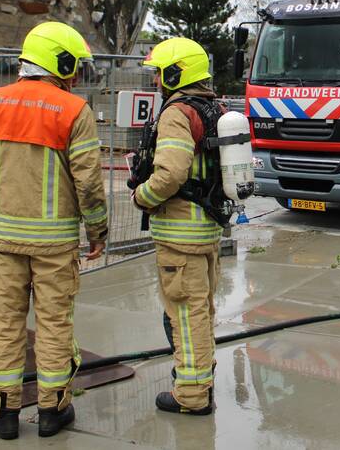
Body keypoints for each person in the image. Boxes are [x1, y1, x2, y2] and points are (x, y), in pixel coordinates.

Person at [0, 22, 108, 440]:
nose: (76, 75)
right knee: (54, 325)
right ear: (61, 62)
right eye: (74, 66)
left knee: (4, 325)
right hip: (55, 245)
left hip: (2, 242)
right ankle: (52, 411)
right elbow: (88, 182)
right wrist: (97, 231)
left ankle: (2, 413)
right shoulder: (74, 111)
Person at [132, 37, 223, 416]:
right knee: (200, 311)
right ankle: (200, 378)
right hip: (207, 229)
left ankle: (192, 395)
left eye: (159, 73)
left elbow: (170, 174)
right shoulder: (213, 108)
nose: (155, 81)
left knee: (186, 315)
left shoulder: (176, 113)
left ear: (175, 74)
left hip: (180, 233)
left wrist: (142, 196)